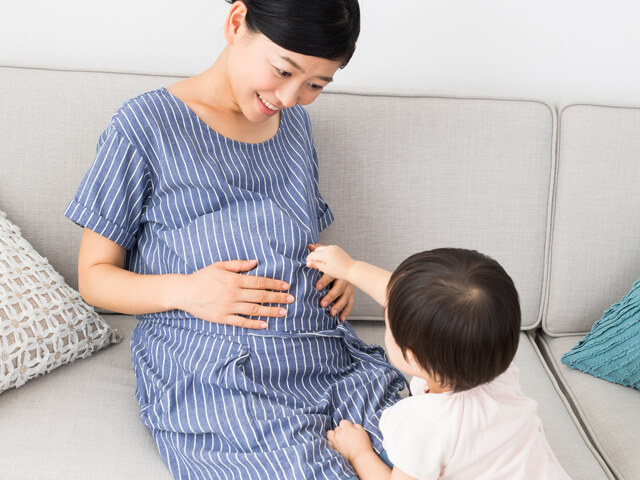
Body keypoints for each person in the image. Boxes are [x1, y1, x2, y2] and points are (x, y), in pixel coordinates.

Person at [64, 1, 406, 478]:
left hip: (319, 349)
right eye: (283, 70)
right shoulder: (144, 126)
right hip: (215, 368)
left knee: (429, 453)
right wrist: (186, 290)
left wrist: (336, 272)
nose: (289, 96)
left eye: (315, 85)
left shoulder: (295, 125)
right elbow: (93, 279)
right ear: (235, 22)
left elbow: (296, 232)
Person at [306, 246, 572, 480]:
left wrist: (359, 452)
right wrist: (351, 268)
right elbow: (400, 297)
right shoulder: (495, 365)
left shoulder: (427, 425)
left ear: (410, 355)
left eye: (389, 321)